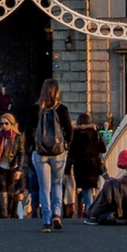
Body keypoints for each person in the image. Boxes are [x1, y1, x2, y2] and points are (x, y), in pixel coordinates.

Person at [31, 78, 74, 232]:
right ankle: (57, 213)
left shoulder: (36, 109)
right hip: (58, 152)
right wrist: (66, 145)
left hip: (40, 153)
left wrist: (32, 148)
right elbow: (69, 131)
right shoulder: (61, 109)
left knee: (44, 188)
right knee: (57, 183)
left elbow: (29, 131)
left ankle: (46, 221)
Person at [67, 112, 105, 218]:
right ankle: (89, 209)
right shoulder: (94, 132)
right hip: (93, 164)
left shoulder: (76, 134)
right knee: (89, 188)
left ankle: (87, 209)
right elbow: (103, 148)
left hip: (80, 165)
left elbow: (71, 153)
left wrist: (68, 167)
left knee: (84, 188)